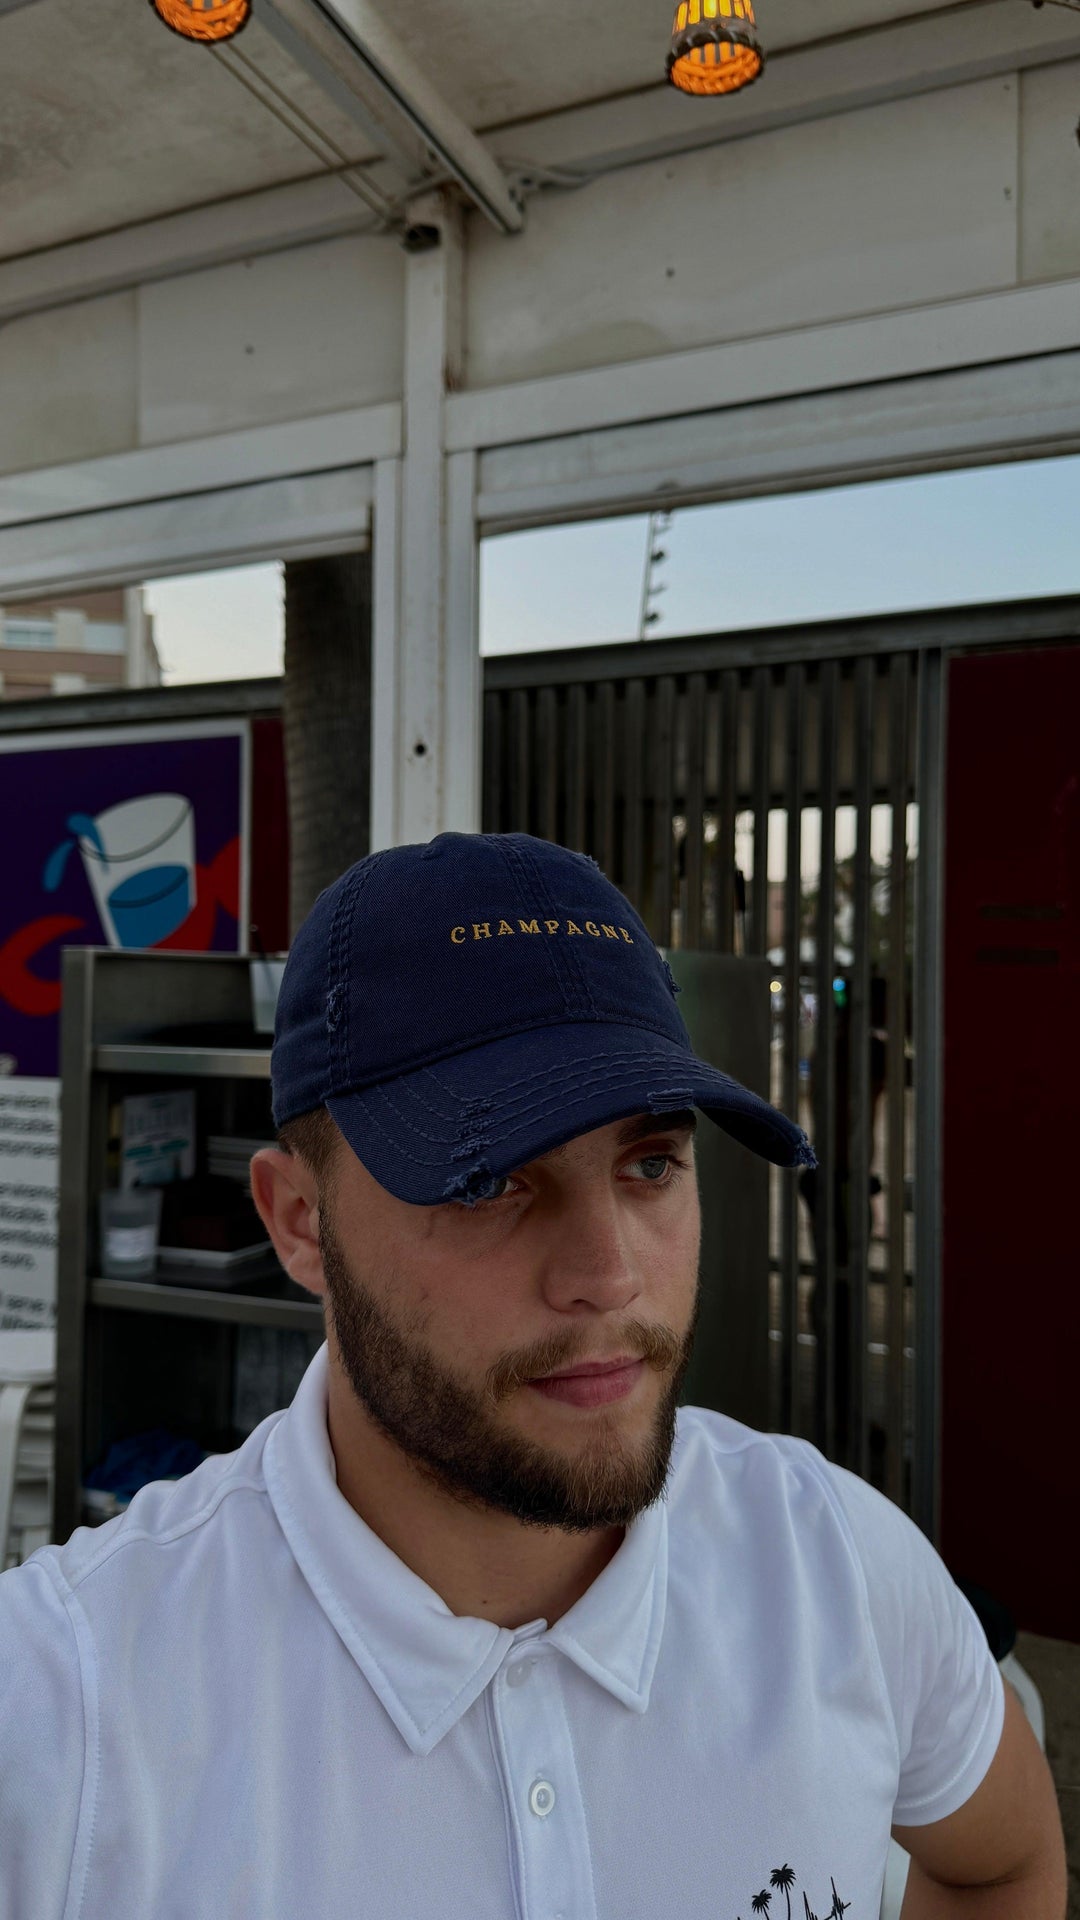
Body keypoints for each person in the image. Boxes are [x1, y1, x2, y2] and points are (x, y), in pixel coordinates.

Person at [0, 832, 1065, 1919]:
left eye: (650, 1164)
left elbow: (1004, 1863)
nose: (609, 1276)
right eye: (489, 1180)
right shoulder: (61, 1710)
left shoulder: (838, 1566)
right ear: (300, 1223)